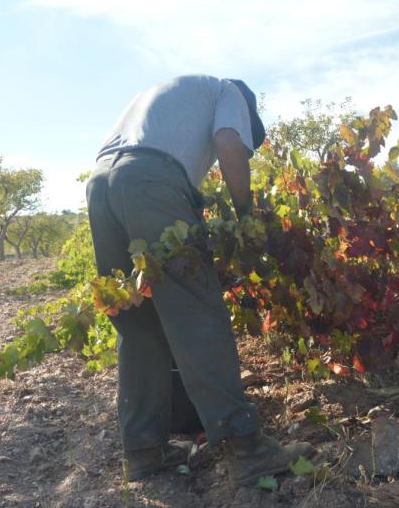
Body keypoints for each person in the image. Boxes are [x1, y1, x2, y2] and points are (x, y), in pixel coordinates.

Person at [86, 75, 314, 485]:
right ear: (247, 109)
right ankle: (248, 449)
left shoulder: (169, 96)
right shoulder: (230, 92)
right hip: (150, 182)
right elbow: (228, 145)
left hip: (101, 183)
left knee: (139, 323)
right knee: (198, 318)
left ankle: (143, 452)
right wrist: (245, 218)